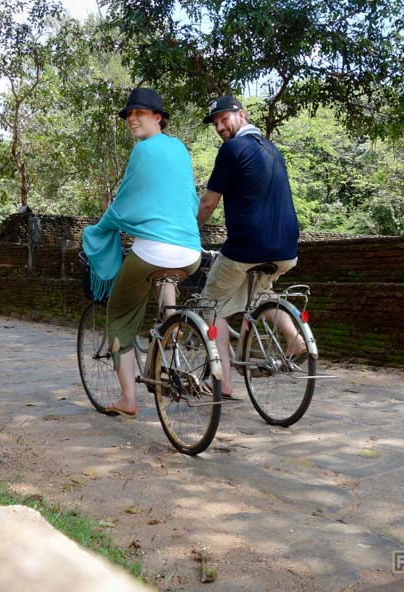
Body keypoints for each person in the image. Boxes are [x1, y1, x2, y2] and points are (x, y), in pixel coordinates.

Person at [83, 88, 202, 418]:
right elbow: (188, 201)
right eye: (128, 114)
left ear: (157, 117)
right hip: (190, 252)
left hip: (153, 250)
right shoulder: (180, 149)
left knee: (119, 317)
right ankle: (170, 326)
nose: (132, 118)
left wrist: (96, 230)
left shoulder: (143, 151)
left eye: (139, 113)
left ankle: (128, 399)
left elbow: (124, 203)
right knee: (166, 281)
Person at [197, 95, 304, 398]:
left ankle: (223, 382)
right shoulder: (272, 149)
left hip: (248, 246)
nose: (219, 126)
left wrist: (191, 232)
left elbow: (207, 203)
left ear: (241, 115)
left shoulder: (232, 149)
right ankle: (295, 337)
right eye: (215, 123)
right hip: (286, 249)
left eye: (223, 119)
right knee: (259, 295)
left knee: (210, 306)